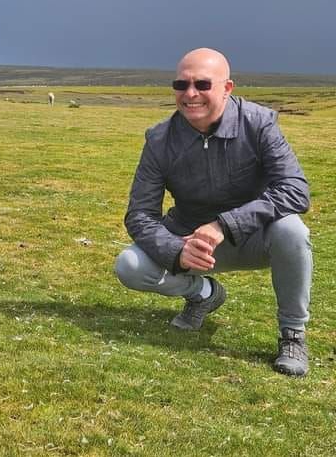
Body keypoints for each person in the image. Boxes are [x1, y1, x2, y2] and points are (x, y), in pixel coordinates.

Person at [114, 47, 312, 376]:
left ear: (227, 87)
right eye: (181, 85)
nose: (190, 94)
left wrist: (223, 224)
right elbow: (140, 215)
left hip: (254, 237)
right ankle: (203, 294)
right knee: (129, 265)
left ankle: (292, 334)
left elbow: (295, 189)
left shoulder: (259, 123)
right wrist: (177, 251)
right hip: (191, 242)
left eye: (203, 84)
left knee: (292, 231)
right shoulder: (160, 140)